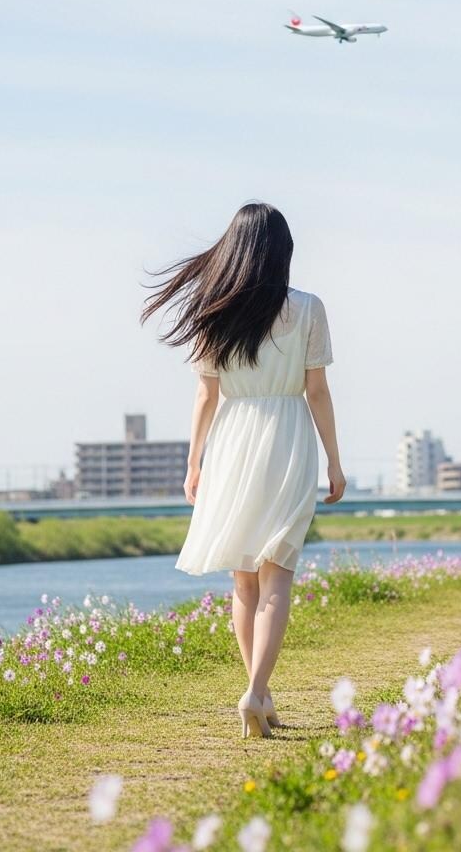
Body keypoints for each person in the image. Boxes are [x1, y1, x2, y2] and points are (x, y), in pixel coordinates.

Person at [140, 202, 345, 738]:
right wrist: (335, 462)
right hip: (287, 435)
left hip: (232, 438)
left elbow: (205, 395)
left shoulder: (216, 309)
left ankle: (260, 690)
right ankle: (257, 690)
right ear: (283, 252)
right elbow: (317, 391)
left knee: (244, 577)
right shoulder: (307, 308)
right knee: (277, 569)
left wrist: (194, 461)